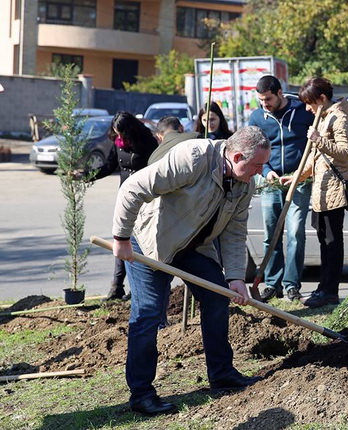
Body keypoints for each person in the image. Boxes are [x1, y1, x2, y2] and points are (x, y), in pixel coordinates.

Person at [112, 126, 270, 416]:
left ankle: (221, 374)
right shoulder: (193, 158)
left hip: (193, 247)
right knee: (148, 314)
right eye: (257, 165)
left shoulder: (245, 183)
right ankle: (142, 394)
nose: (259, 172)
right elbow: (132, 188)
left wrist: (235, 277)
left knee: (217, 299)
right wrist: (121, 238)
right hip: (152, 242)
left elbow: (235, 231)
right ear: (237, 156)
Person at [284, 77, 348, 309]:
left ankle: (330, 291)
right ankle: (323, 287)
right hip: (321, 190)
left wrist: (319, 140)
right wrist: (295, 177)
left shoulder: (339, 116)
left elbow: (344, 153)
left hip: (334, 189)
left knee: (332, 242)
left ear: (322, 99)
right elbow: (315, 160)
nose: (307, 108)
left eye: (310, 103)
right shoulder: (324, 116)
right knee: (324, 240)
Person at [248, 75, 315, 302]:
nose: (264, 104)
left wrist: (302, 173)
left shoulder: (302, 109)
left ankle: (291, 285)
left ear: (279, 93)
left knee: (295, 231)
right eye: (260, 100)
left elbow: (314, 144)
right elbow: (252, 149)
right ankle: (272, 284)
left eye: (267, 99)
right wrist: (266, 171)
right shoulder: (257, 117)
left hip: (299, 180)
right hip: (272, 182)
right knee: (271, 234)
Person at [92, 111, 158, 300]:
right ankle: (116, 287)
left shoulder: (148, 143)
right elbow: (109, 166)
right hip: (124, 199)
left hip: (145, 200)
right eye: (116, 133)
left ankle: (138, 288)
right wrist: (87, 175)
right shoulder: (117, 143)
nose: (119, 137)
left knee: (142, 244)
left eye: (122, 133)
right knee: (121, 240)